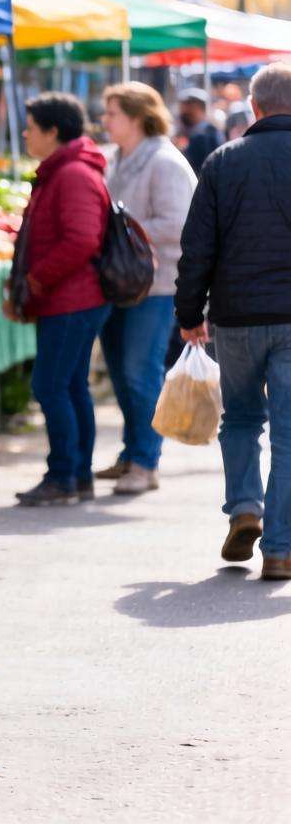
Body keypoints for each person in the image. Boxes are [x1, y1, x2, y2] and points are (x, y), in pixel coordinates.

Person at [175, 62, 291, 582]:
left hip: (237, 317)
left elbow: (196, 246)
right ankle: (281, 550)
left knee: (242, 418)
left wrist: (188, 313)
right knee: (289, 435)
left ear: (254, 106)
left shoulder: (223, 161)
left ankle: (245, 508)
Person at [95, 83, 197, 495]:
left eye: (112, 114)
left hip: (156, 286)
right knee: (122, 374)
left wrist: (121, 234)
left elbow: (179, 224)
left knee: (141, 372)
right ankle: (132, 452)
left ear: (137, 117)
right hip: (120, 284)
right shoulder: (117, 158)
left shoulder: (164, 161)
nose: (105, 121)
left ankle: (146, 461)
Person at [9, 94, 110, 507]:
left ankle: (64, 474)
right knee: (69, 385)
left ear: (52, 131)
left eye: (31, 126)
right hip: (69, 298)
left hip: (74, 299)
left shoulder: (72, 174)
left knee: (50, 385)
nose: (26, 133)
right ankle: (76, 475)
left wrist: (35, 278)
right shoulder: (62, 170)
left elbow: (83, 240)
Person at [176, 88, 223, 174]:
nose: (184, 111)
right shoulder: (184, 132)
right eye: (183, 107)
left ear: (201, 109)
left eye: (190, 107)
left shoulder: (208, 135)